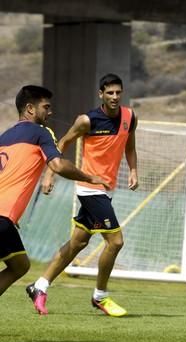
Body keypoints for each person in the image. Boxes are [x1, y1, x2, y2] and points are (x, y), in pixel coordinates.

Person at [26, 73, 139, 317]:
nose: (115, 97)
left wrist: (133, 170)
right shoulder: (87, 121)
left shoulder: (130, 117)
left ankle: (40, 285)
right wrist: (49, 174)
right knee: (116, 241)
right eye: (109, 93)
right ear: (101, 94)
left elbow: (130, 146)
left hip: (107, 189)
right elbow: (63, 143)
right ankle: (101, 296)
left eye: (118, 92)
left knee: (79, 242)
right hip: (89, 188)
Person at [0, 85, 110, 302]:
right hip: (2, 219)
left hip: (4, 218)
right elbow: (58, 165)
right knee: (19, 265)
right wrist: (89, 177)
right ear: (30, 109)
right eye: (46, 107)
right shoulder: (41, 132)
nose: (50, 113)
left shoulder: (4, 137)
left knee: (20, 264)